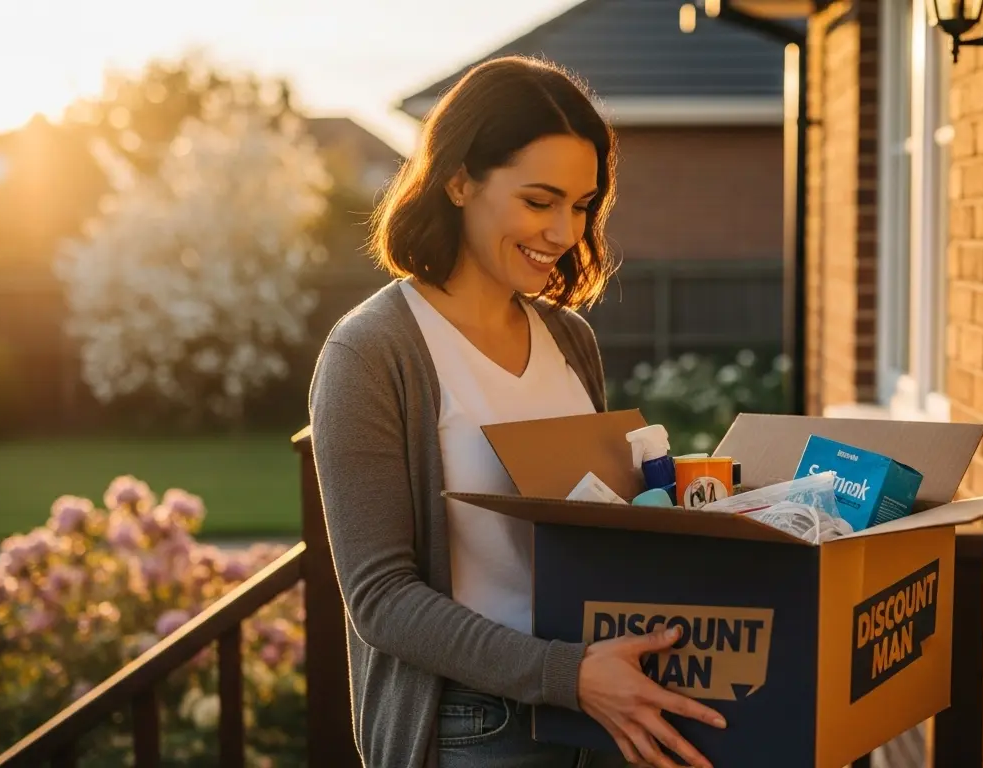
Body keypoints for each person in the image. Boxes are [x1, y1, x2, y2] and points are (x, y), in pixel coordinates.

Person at [308, 56, 726, 768]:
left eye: (583, 204)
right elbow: (380, 598)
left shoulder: (569, 338)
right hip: (477, 728)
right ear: (460, 178)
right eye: (540, 200)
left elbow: (598, 519)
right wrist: (563, 676)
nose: (565, 231)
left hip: (608, 704)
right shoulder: (372, 353)